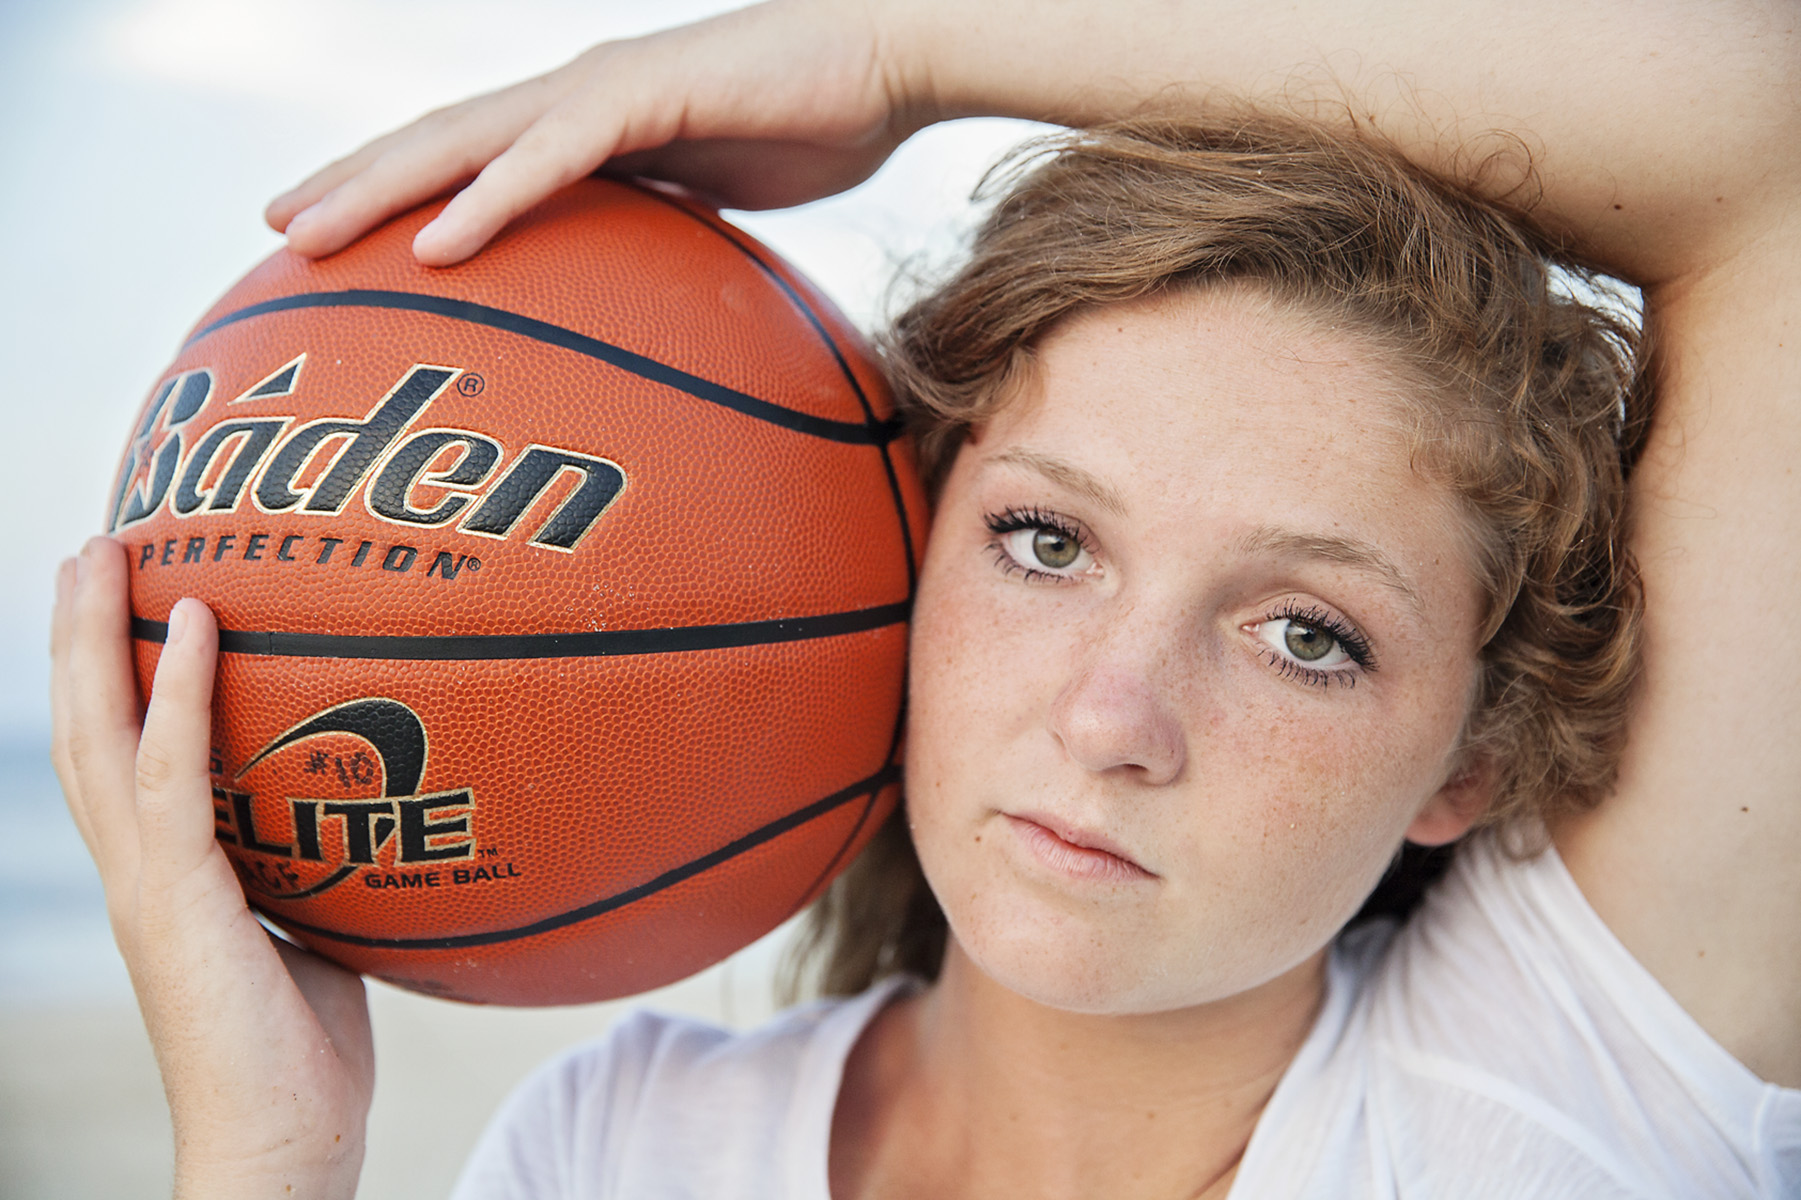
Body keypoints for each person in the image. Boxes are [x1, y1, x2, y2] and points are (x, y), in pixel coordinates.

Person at [49, 1, 1798, 1197]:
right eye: (1046, 543)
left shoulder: (1571, 1092)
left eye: (1306, 635)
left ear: (1463, 764)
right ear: (904, 549)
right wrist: (264, 1160)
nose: (1113, 721)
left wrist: (904, 47)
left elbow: (1770, 136)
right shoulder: (633, 1140)